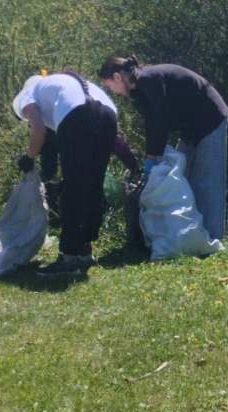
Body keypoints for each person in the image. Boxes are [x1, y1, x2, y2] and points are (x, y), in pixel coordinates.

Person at [13, 71, 137, 273]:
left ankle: (69, 257)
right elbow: (113, 138)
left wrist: (28, 157)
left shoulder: (29, 94)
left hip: (76, 115)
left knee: (73, 189)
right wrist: (131, 162)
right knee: (93, 186)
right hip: (108, 114)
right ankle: (85, 251)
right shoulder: (60, 85)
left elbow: (38, 129)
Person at [98, 55, 228, 242]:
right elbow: (151, 124)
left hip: (210, 118)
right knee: (184, 176)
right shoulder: (137, 90)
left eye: (109, 86)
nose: (113, 92)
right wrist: (151, 157)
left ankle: (213, 238)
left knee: (207, 180)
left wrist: (153, 158)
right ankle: (192, 234)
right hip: (190, 125)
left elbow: (160, 121)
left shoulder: (149, 79)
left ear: (118, 77)